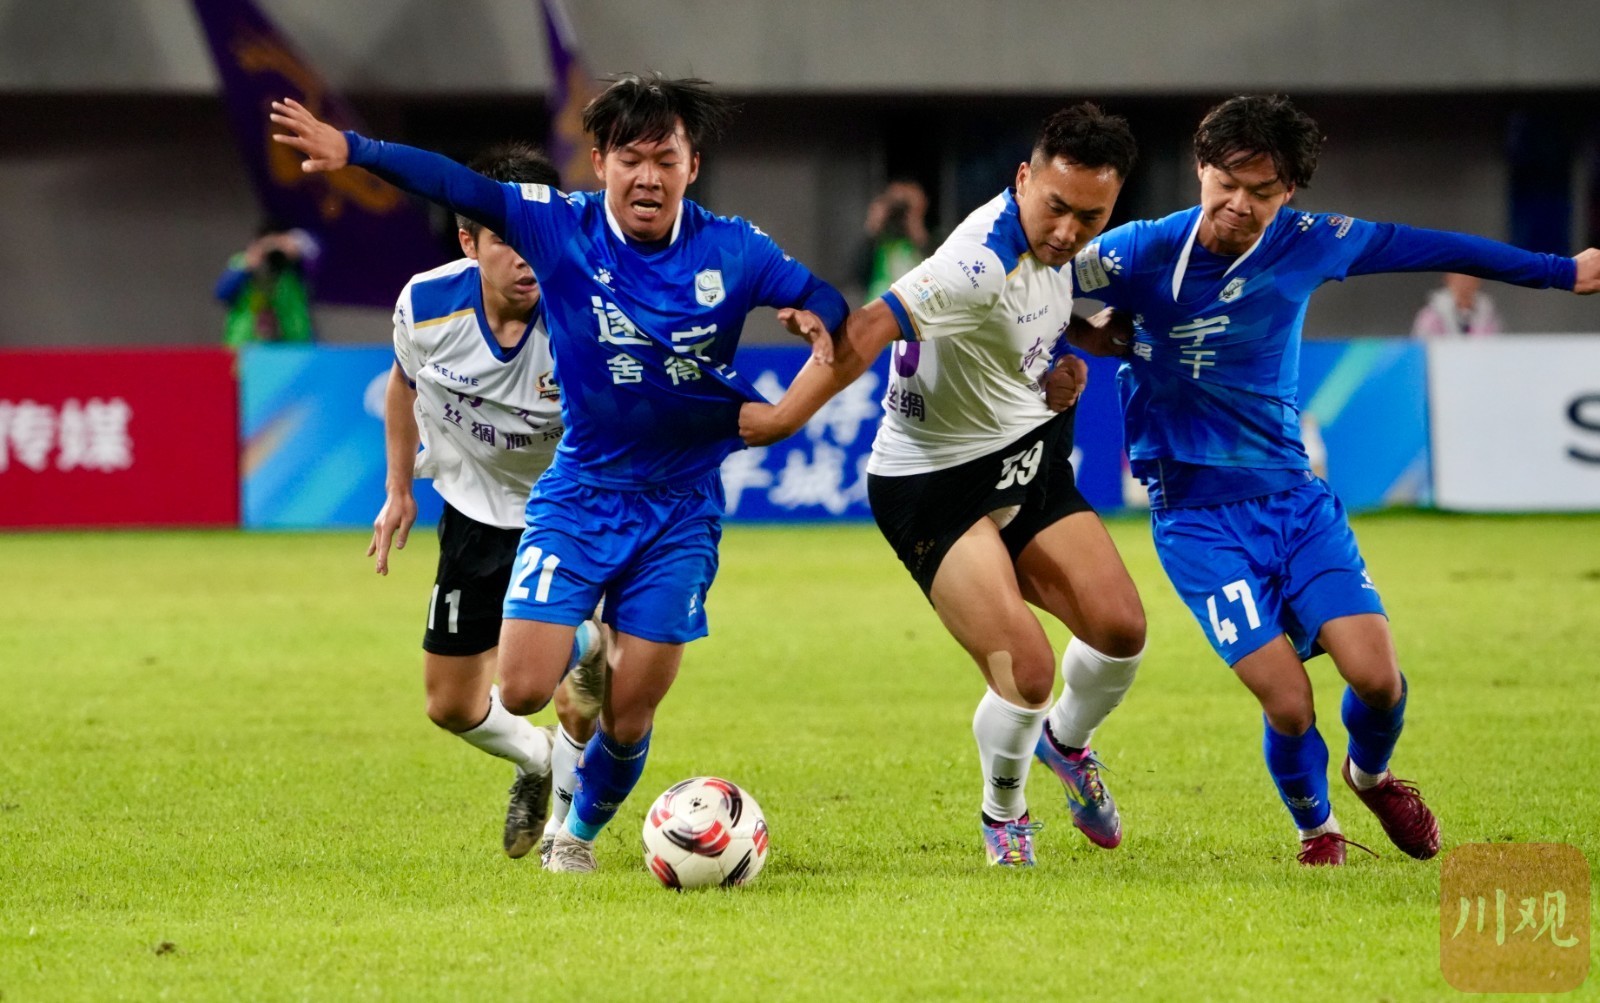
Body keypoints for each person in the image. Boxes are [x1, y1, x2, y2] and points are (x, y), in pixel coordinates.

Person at [272, 74, 848, 874]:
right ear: (600, 162)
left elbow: (829, 304)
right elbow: (455, 185)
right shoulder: (550, 234)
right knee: (511, 692)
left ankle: (572, 836)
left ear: (692, 165)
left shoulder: (732, 249)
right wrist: (354, 149)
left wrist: (810, 328)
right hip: (563, 498)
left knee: (629, 713)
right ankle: (575, 652)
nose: (649, 177)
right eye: (631, 159)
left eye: (667, 159)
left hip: (678, 507)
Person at [1065, 94, 1599, 865]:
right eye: (1228, 184)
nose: (1241, 204)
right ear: (1200, 168)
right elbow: (1033, 291)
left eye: (1263, 191)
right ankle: (1316, 829)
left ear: (1288, 192)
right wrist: (1082, 339)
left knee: (1378, 678)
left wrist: (1561, 270)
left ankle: (1371, 775)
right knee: (1288, 702)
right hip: (1196, 519)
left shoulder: (1311, 241)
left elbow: (1432, 245)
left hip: (1294, 499)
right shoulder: (1139, 251)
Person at [742, 103, 1147, 867]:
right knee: (1028, 670)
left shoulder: (1065, 248)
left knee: (1121, 630)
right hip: (931, 482)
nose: (1068, 231)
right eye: (1056, 207)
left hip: (1026, 453)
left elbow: (1038, 316)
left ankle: (1067, 744)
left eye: (1090, 217)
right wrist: (778, 420)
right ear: (1023, 179)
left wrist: (1069, 356)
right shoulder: (978, 260)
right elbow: (867, 328)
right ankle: (1005, 811)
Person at [369, 142, 606, 864]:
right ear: (469, 242)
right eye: (507, 239)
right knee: (450, 703)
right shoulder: (425, 305)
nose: (527, 257)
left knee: (562, 691)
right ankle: (534, 758)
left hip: (566, 512)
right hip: (473, 513)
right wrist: (399, 487)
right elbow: (403, 382)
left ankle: (566, 835)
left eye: (538, 237)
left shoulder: (585, 314)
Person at [215, 220, 318, 347]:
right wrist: (248, 265)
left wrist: (297, 251)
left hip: (294, 346)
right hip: (244, 346)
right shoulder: (242, 263)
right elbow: (221, 293)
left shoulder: (295, 268)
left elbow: (319, 268)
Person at [860, 179, 932, 300]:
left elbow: (937, 271)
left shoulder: (935, 236)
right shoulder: (881, 241)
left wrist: (916, 223)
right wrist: (873, 227)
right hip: (879, 303)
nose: (900, 210)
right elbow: (858, 275)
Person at [1411, 272, 1503, 336]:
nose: (1465, 284)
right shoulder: (1431, 315)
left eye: (1470, 279)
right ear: (1449, 279)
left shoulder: (1488, 315)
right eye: (1461, 279)